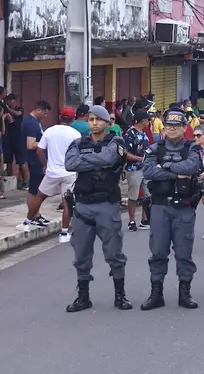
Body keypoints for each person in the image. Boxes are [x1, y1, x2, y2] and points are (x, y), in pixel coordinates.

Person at [64, 105, 132, 312]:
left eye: (98, 119)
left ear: (107, 122)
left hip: (107, 205)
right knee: (81, 254)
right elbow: (69, 164)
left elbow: (110, 158)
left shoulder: (116, 141)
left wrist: (84, 161)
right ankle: (83, 296)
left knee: (114, 253)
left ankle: (120, 295)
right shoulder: (78, 142)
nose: (94, 123)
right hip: (83, 206)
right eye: (91, 119)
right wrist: (96, 161)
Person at [139, 108, 204, 310]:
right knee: (158, 251)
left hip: (184, 207)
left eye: (177, 126)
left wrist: (164, 169)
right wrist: (175, 174)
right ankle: (156, 293)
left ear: (185, 128)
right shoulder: (154, 148)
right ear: (163, 127)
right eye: (169, 125)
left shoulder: (192, 147)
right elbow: (148, 171)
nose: (172, 129)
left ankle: (185, 293)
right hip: (159, 206)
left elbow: (192, 167)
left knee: (184, 252)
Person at [29, 107, 81, 243]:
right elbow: (79, 154)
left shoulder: (49, 131)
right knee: (67, 203)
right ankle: (64, 234)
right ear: (72, 119)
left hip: (52, 172)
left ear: (60, 117)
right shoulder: (75, 134)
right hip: (69, 173)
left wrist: (45, 164)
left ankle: (27, 222)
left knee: (39, 197)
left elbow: (39, 151)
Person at [122, 110, 151, 232]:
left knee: (148, 195)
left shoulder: (143, 133)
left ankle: (145, 220)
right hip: (134, 169)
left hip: (146, 168)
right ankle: (132, 220)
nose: (149, 122)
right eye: (148, 120)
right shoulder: (130, 134)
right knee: (133, 196)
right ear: (143, 120)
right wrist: (139, 158)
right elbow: (125, 153)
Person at [22, 100, 51, 209]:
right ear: (38, 110)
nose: (46, 116)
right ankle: (33, 215)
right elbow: (30, 144)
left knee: (38, 188)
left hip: (38, 159)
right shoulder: (31, 123)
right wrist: (47, 142)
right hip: (34, 159)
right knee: (34, 189)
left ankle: (36, 214)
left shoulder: (36, 122)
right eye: (45, 113)